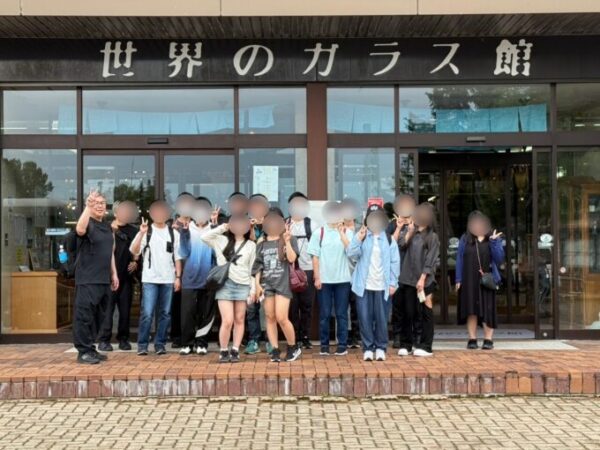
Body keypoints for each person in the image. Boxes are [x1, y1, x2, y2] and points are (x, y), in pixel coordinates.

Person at [347, 205, 400, 362]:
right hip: (363, 286)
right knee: (365, 318)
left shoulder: (389, 239)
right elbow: (351, 254)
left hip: (382, 286)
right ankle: (368, 348)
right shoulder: (362, 236)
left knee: (382, 319)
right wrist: (358, 239)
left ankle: (381, 347)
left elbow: (395, 262)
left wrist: (393, 283)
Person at [200, 215, 256, 363]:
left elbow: (252, 269)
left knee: (239, 319)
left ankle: (235, 349)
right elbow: (204, 237)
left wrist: (253, 289)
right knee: (227, 320)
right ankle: (224, 350)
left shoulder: (251, 245)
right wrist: (223, 227)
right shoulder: (221, 240)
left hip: (243, 285)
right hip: (225, 284)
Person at [73, 190, 119, 364]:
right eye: (96, 203)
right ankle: (83, 351)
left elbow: (110, 252)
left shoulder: (107, 227)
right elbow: (80, 229)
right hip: (87, 278)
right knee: (84, 316)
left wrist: (114, 273)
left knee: (98, 316)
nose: (99, 206)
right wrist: (87, 206)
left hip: (103, 279)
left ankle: (90, 348)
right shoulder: (87, 222)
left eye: (102, 203)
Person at [131, 200, 183, 355]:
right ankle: (142, 345)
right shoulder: (146, 231)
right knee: (147, 313)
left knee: (165, 314)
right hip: (149, 279)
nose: (160, 214)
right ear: (151, 214)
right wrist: (141, 233)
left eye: (163, 211)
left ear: (167, 214)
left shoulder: (174, 233)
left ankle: (160, 344)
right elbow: (134, 251)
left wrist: (178, 277)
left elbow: (178, 257)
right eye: (157, 211)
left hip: (168, 279)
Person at [252, 207, 302, 362]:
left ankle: (293, 347)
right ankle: (274, 349)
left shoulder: (289, 238)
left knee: (281, 317)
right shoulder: (261, 243)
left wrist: (286, 241)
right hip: (267, 284)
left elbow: (292, 259)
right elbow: (258, 265)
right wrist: (257, 285)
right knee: (269, 317)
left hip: (282, 284)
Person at [308, 201, 354, 356]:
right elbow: (315, 257)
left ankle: (342, 345)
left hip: (343, 280)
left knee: (342, 314)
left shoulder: (347, 232)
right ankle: (324, 345)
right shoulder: (319, 232)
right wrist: (317, 277)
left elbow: (351, 252)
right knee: (325, 314)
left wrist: (342, 233)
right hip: (325, 280)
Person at [456, 211, 504, 350]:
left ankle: (488, 339)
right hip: (469, 278)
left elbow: (499, 259)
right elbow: (459, 259)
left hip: (487, 279)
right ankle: (472, 338)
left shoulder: (492, 239)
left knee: (488, 309)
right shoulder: (465, 239)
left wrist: (494, 242)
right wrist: (458, 279)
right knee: (471, 309)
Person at [397, 202, 440, 358]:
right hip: (408, 279)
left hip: (425, 281)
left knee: (425, 312)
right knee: (408, 312)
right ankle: (406, 344)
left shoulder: (432, 237)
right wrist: (408, 232)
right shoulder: (412, 231)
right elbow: (401, 244)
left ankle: (426, 346)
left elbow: (430, 260)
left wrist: (422, 279)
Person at [97, 200, 139, 352]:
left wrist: (135, 261)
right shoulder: (106, 228)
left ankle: (124, 339)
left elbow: (138, 249)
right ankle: (104, 340)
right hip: (108, 276)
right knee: (107, 310)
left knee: (125, 311)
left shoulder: (134, 230)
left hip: (126, 277)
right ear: (115, 213)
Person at [177, 197, 215, 356]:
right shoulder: (187, 228)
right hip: (190, 279)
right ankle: (187, 343)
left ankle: (202, 343)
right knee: (188, 313)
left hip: (208, 279)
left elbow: (218, 253)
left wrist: (216, 229)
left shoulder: (213, 229)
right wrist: (184, 234)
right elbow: (183, 253)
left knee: (206, 313)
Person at [286, 192, 317, 349]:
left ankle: (305, 336)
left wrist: (317, 273)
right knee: (292, 306)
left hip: (308, 269)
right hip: (289, 271)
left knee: (307, 305)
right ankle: (294, 337)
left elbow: (318, 251)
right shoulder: (284, 224)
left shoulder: (312, 225)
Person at [387, 194, 418, 348]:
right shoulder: (393, 224)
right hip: (397, 272)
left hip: (413, 272)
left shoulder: (417, 223)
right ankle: (397, 336)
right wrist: (399, 227)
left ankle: (414, 336)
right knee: (398, 306)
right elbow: (389, 245)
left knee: (413, 307)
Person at [169, 192, 196, 348]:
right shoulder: (170, 225)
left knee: (193, 306)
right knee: (177, 305)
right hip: (177, 271)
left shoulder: (197, 224)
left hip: (195, 270)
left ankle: (193, 335)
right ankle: (177, 336)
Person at [245, 193, 270, 354]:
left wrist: (263, 226)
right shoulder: (246, 223)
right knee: (251, 309)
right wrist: (251, 227)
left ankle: (270, 340)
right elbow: (249, 242)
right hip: (249, 273)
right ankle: (254, 340)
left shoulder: (272, 222)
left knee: (268, 309)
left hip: (268, 273)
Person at [341, 197, 361, 349]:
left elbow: (357, 251)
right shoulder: (337, 229)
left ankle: (356, 336)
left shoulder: (361, 229)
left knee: (356, 307)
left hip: (358, 274)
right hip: (342, 274)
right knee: (343, 308)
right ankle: (344, 336)